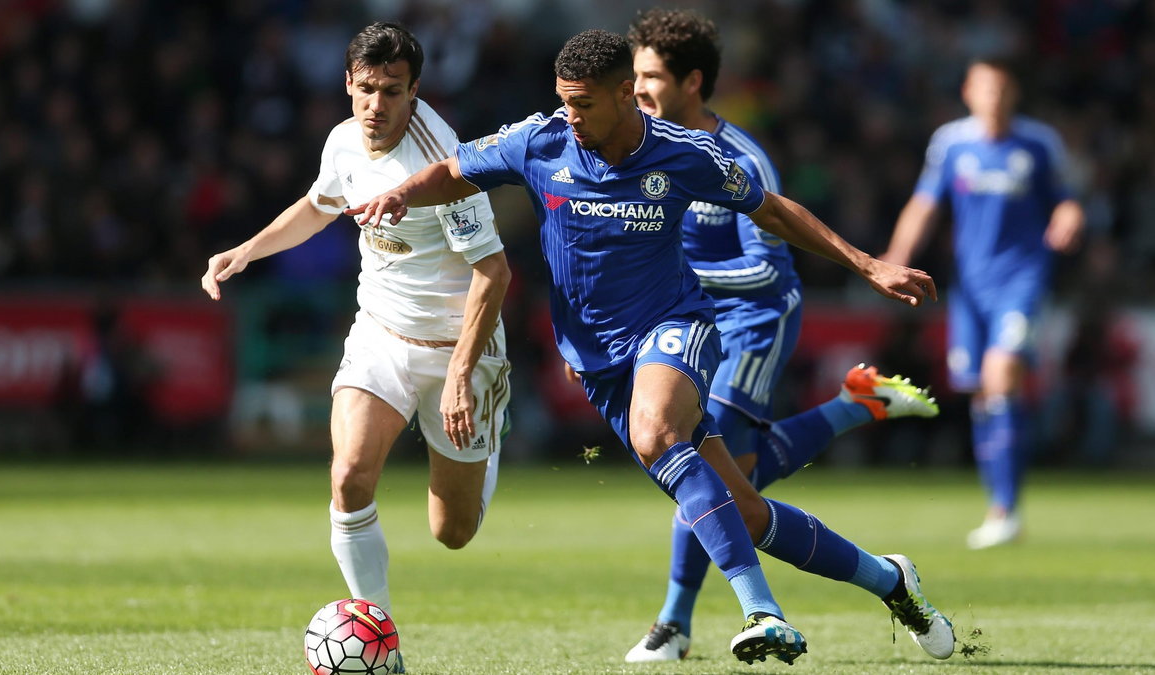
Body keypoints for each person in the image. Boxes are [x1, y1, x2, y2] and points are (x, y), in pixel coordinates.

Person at [347, 29, 949, 666]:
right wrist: (400, 193)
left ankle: (761, 611)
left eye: (582, 103)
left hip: (675, 327)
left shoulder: (682, 153)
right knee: (741, 512)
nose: (569, 116)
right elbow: (453, 170)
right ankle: (892, 582)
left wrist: (868, 265)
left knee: (656, 431)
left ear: (625, 95)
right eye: (563, 101)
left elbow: (770, 210)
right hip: (599, 363)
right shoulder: (540, 141)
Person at [621, 8, 947, 663]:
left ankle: (674, 622)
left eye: (650, 77)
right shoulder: (639, 150)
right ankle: (857, 408)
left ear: (692, 81)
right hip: (689, 328)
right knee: (724, 483)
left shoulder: (740, 159)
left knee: (707, 474)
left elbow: (762, 266)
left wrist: (682, 278)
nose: (637, 90)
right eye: (634, 77)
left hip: (754, 323)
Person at [200, 23, 512, 672]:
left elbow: (494, 273)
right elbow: (320, 205)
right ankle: (380, 643)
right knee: (348, 475)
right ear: (348, 83)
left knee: (452, 533)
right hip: (381, 334)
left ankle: (487, 443)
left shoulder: (442, 162)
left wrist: (459, 377)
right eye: (366, 89)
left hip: (460, 350)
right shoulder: (344, 141)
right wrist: (247, 250)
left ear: (415, 91)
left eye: (392, 92)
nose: (377, 105)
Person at [883, 57, 1085, 549]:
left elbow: (1066, 196)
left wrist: (1069, 215)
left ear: (1013, 93)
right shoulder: (952, 143)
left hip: (1021, 280)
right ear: (969, 92)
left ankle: (1006, 507)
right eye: (984, 88)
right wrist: (894, 258)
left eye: (1002, 88)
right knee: (980, 392)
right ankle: (999, 503)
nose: (993, 97)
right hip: (970, 288)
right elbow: (926, 203)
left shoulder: (1037, 143)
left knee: (1001, 376)